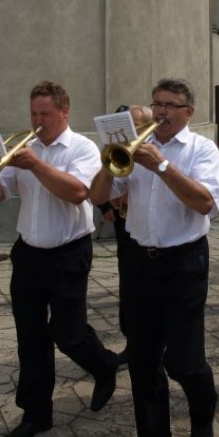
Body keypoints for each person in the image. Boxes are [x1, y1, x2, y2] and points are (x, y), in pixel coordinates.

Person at [89, 78, 219, 437]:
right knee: (144, 364)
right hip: (139, 263)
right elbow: (96, 195)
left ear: (189, 112)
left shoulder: (201, 150)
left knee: (184, 361)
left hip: (184, 263)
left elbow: (205, 202)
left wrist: (162, 166)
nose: (162, 111)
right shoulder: (133, 152)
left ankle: (203, 419)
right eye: (157, 103)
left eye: (171, 104)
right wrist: (108, 161)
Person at [0, 81, 119, 437]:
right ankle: (35, 414)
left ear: (64, 112)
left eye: (44, 114)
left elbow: (77, 193)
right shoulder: (24, 149)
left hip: (68, 252)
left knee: (68, 334)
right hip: (27, 252)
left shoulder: (81, 147)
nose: (37, 121)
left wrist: (37, 165)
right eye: (33, 114)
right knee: (30, 338)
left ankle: (104, 366)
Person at [96, 103, 154, 368]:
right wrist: (111, 199)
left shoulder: (154, 152)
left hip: (156, 233)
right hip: (127, 228)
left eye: (133, 125)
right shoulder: (120, 152)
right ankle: (133, 343)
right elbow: (100, 192)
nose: (129, 131)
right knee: (129, 288)